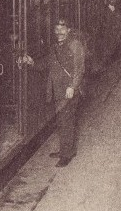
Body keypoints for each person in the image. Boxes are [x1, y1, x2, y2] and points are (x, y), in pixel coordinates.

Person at [18, 17, 86, 167]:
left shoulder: (75, 45)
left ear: (69, 30)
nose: (59, 32)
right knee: (62, 121)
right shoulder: (56, 46)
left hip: (68, 90)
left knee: (66, 121)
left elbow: (79, 69)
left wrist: (73, 87)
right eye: (56, 29)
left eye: (62, 29)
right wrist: (31, 62)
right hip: (57, 90)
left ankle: (67, 154)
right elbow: (47, 64)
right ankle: (65, 150)